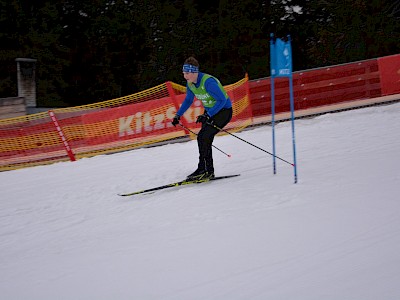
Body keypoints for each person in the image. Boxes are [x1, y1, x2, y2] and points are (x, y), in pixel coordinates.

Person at [171, 56, 233, 180]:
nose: (185, 76)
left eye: (187, 73)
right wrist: (178, 115)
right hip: (211, 111)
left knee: (203, 137)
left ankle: (205, 170)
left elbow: (222, 100)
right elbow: (188, 100)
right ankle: (205, 170)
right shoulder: (190, 83)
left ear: (195, 72)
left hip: (223, 111)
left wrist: (207, 115)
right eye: (183, 73)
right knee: (204, 139)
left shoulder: (208, 82)